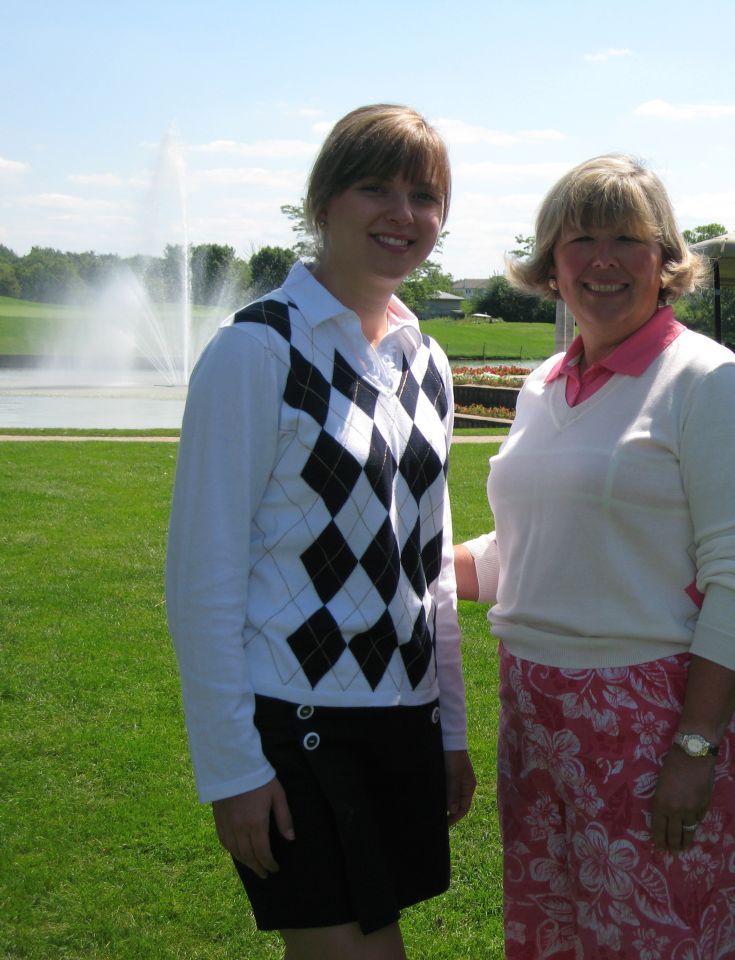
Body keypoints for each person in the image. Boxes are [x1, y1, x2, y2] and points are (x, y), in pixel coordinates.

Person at [454, 154, 735, 959]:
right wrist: (410, 566)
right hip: (536, 716)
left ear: (664, 259)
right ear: (550, 261)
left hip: (658, 720)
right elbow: (528, 553)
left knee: (661, 941)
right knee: (554, 940)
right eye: (580, 240)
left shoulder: (702, 379)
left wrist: (696, 744)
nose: (602, 261)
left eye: (627, 239)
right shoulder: (543, 384)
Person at [166, 104, 475, 960]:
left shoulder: (427, 360)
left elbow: (429, 571)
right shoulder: (256, 351)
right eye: (375, 187)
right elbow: (203, 580)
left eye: (424, 195)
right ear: (325, 201)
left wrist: (448, 728)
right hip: (298, 726)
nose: (402, 215)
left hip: (402, 719)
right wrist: (233, 770)